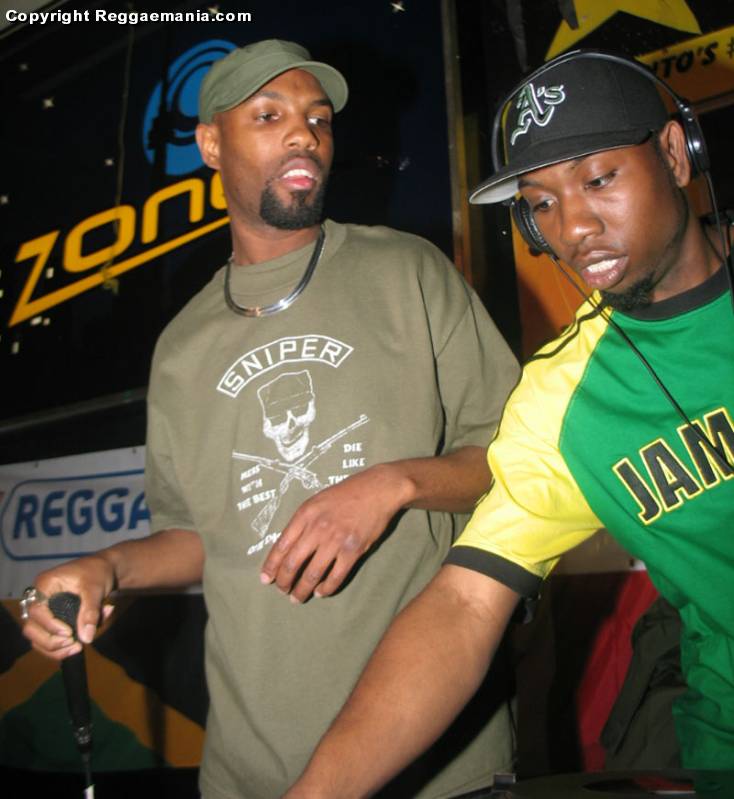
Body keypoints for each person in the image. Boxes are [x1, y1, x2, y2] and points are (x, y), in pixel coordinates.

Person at [19, 39, 521, 799]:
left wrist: (392, 484)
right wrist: (106, 568)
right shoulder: (182, 347)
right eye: (269, 115)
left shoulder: (406, 271)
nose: (304, 135)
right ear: (210, 145)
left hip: (435, 765)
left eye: (318, 119)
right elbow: (197, 537)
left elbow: (517, 460)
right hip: (251, 769)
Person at [283, 52, 734, 798]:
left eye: (599, 179)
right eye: (541, 203)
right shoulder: (562, 400)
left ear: (675, 155)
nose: (574, 227)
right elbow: (464, 603)